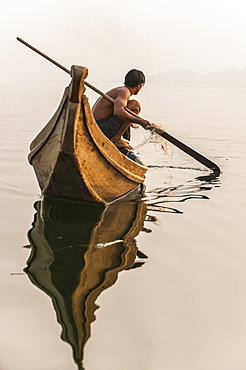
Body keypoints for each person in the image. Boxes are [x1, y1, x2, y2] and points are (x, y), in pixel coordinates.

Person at [92, 69, 151, 150]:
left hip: (97, 124)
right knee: (135, 105)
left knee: (131, 104)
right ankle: (116, 138)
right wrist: (140, 121)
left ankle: (117, 138)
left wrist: (130, 122)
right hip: (101, 127)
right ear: (139, 85)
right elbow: (118, 112)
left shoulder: (120, 90)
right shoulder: (124, 92)